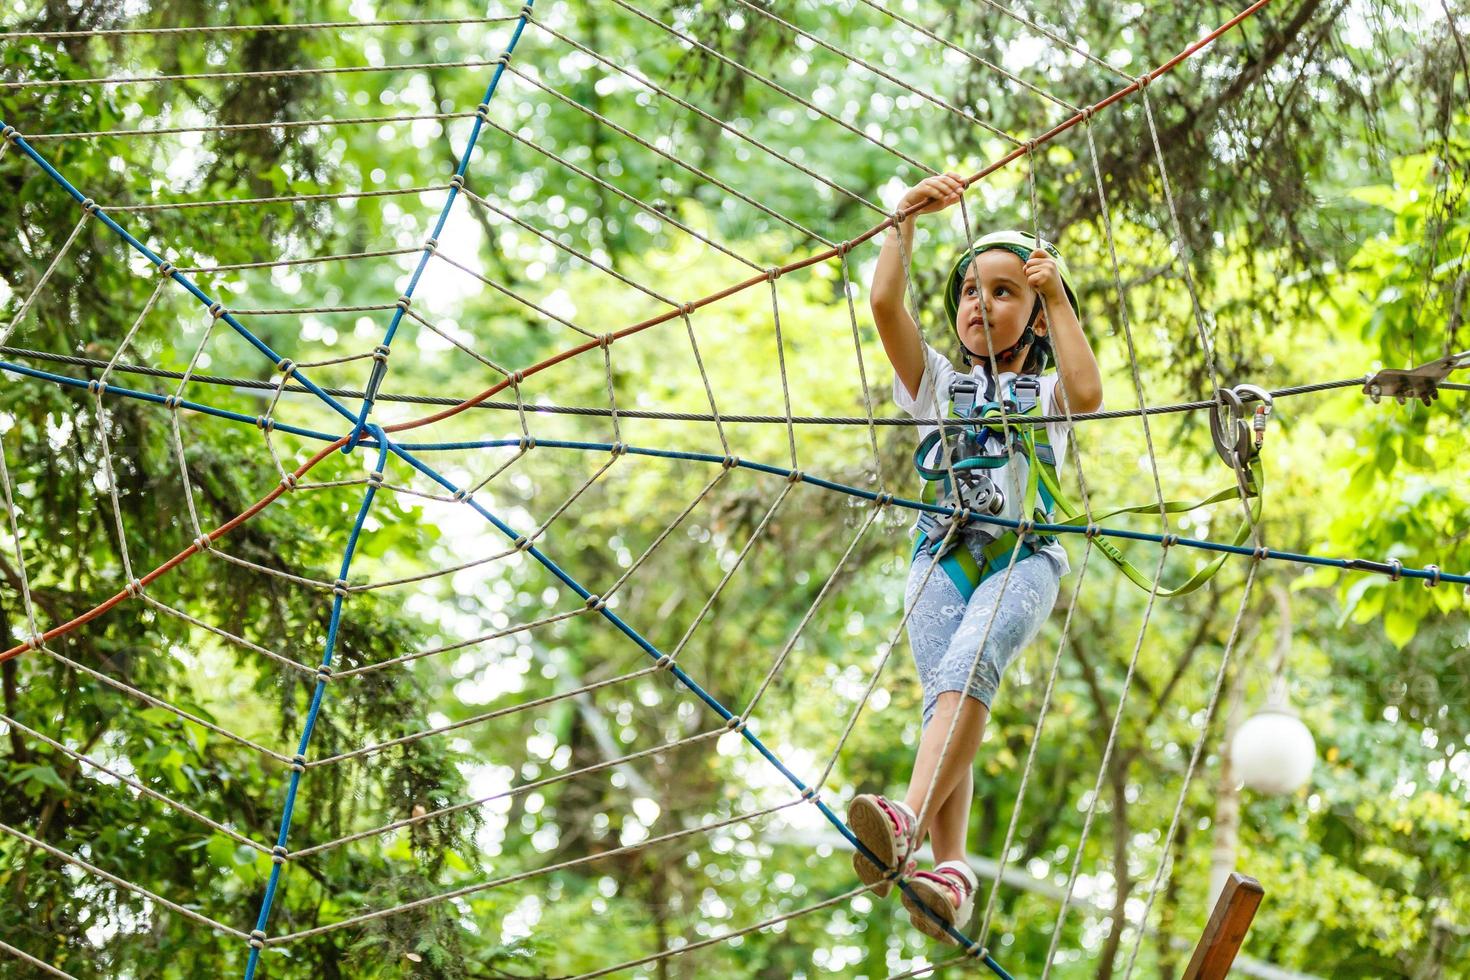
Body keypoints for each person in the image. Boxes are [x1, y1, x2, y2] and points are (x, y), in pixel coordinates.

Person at [848, 172, 1103, 942]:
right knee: (947, 693)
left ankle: (908, 819)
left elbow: (1089, 392)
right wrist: (901, 222)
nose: (979, 304)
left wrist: (1057, 295)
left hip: (1024, 556)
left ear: (1030, 319)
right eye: (968, 291)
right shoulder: (935, 383)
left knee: (972, 666)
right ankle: (950, 869)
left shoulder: (1049, 391)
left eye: (1002, 292)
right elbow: (886, 306)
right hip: (940, 555)